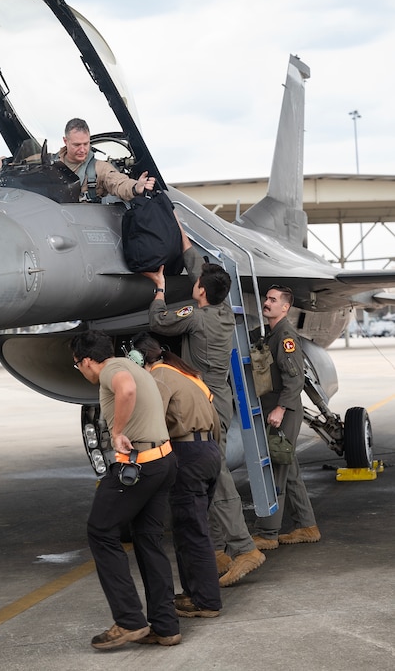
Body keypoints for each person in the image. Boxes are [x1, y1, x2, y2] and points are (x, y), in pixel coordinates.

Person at [144, 217, 265, 588]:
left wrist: (160, 288)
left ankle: (245, 547)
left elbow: (159, 320)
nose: (194, 282)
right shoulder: (222, 309)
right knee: (204, 471)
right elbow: (200, 266)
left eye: (195, 284)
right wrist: (179, 226)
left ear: (199, 293)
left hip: (205, 404)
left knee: (214, 472)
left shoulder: (195, 318)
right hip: (219, 397)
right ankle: (216, 549)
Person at [70, 330, 181, 650]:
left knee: (100, 530)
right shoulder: (132, 365)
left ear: (89, 361)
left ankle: (130, 620)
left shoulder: (113, 372)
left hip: (138, 467)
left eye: (79, 365)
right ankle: (165, 626)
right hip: (164, 461)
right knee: (149, 541)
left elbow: (126, 390)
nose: (82, 371)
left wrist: (117, 431)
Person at [130, 332, 222, 618]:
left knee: (192, 530)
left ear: (138, 358)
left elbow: (151, 419)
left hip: (187, 454)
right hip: (209, 451)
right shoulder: (185, 373)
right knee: (189, 528)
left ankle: (206, 601)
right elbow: (216, 419)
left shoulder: (157, 377)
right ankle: (194, 593)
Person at [250, 285, 321, 549]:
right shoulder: (271, 333)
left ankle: (268, 533)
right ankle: (306, 525)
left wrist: (280, 409)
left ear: (285, 307)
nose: (266, 303)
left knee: (276, 469)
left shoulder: (286, 336)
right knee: (289, 468)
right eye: (266, 298)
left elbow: (295, 378)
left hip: (284, 410)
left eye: (272, 299)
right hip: (276, 409)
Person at [0, 117, 156, 201]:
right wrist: (5, 163)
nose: (83, 149)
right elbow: (22, 166)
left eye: (86, 144)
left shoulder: (99, 168)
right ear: (66, 141)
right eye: (77, 144)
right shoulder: (48, 162)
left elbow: (118, 183)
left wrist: (136, 187)